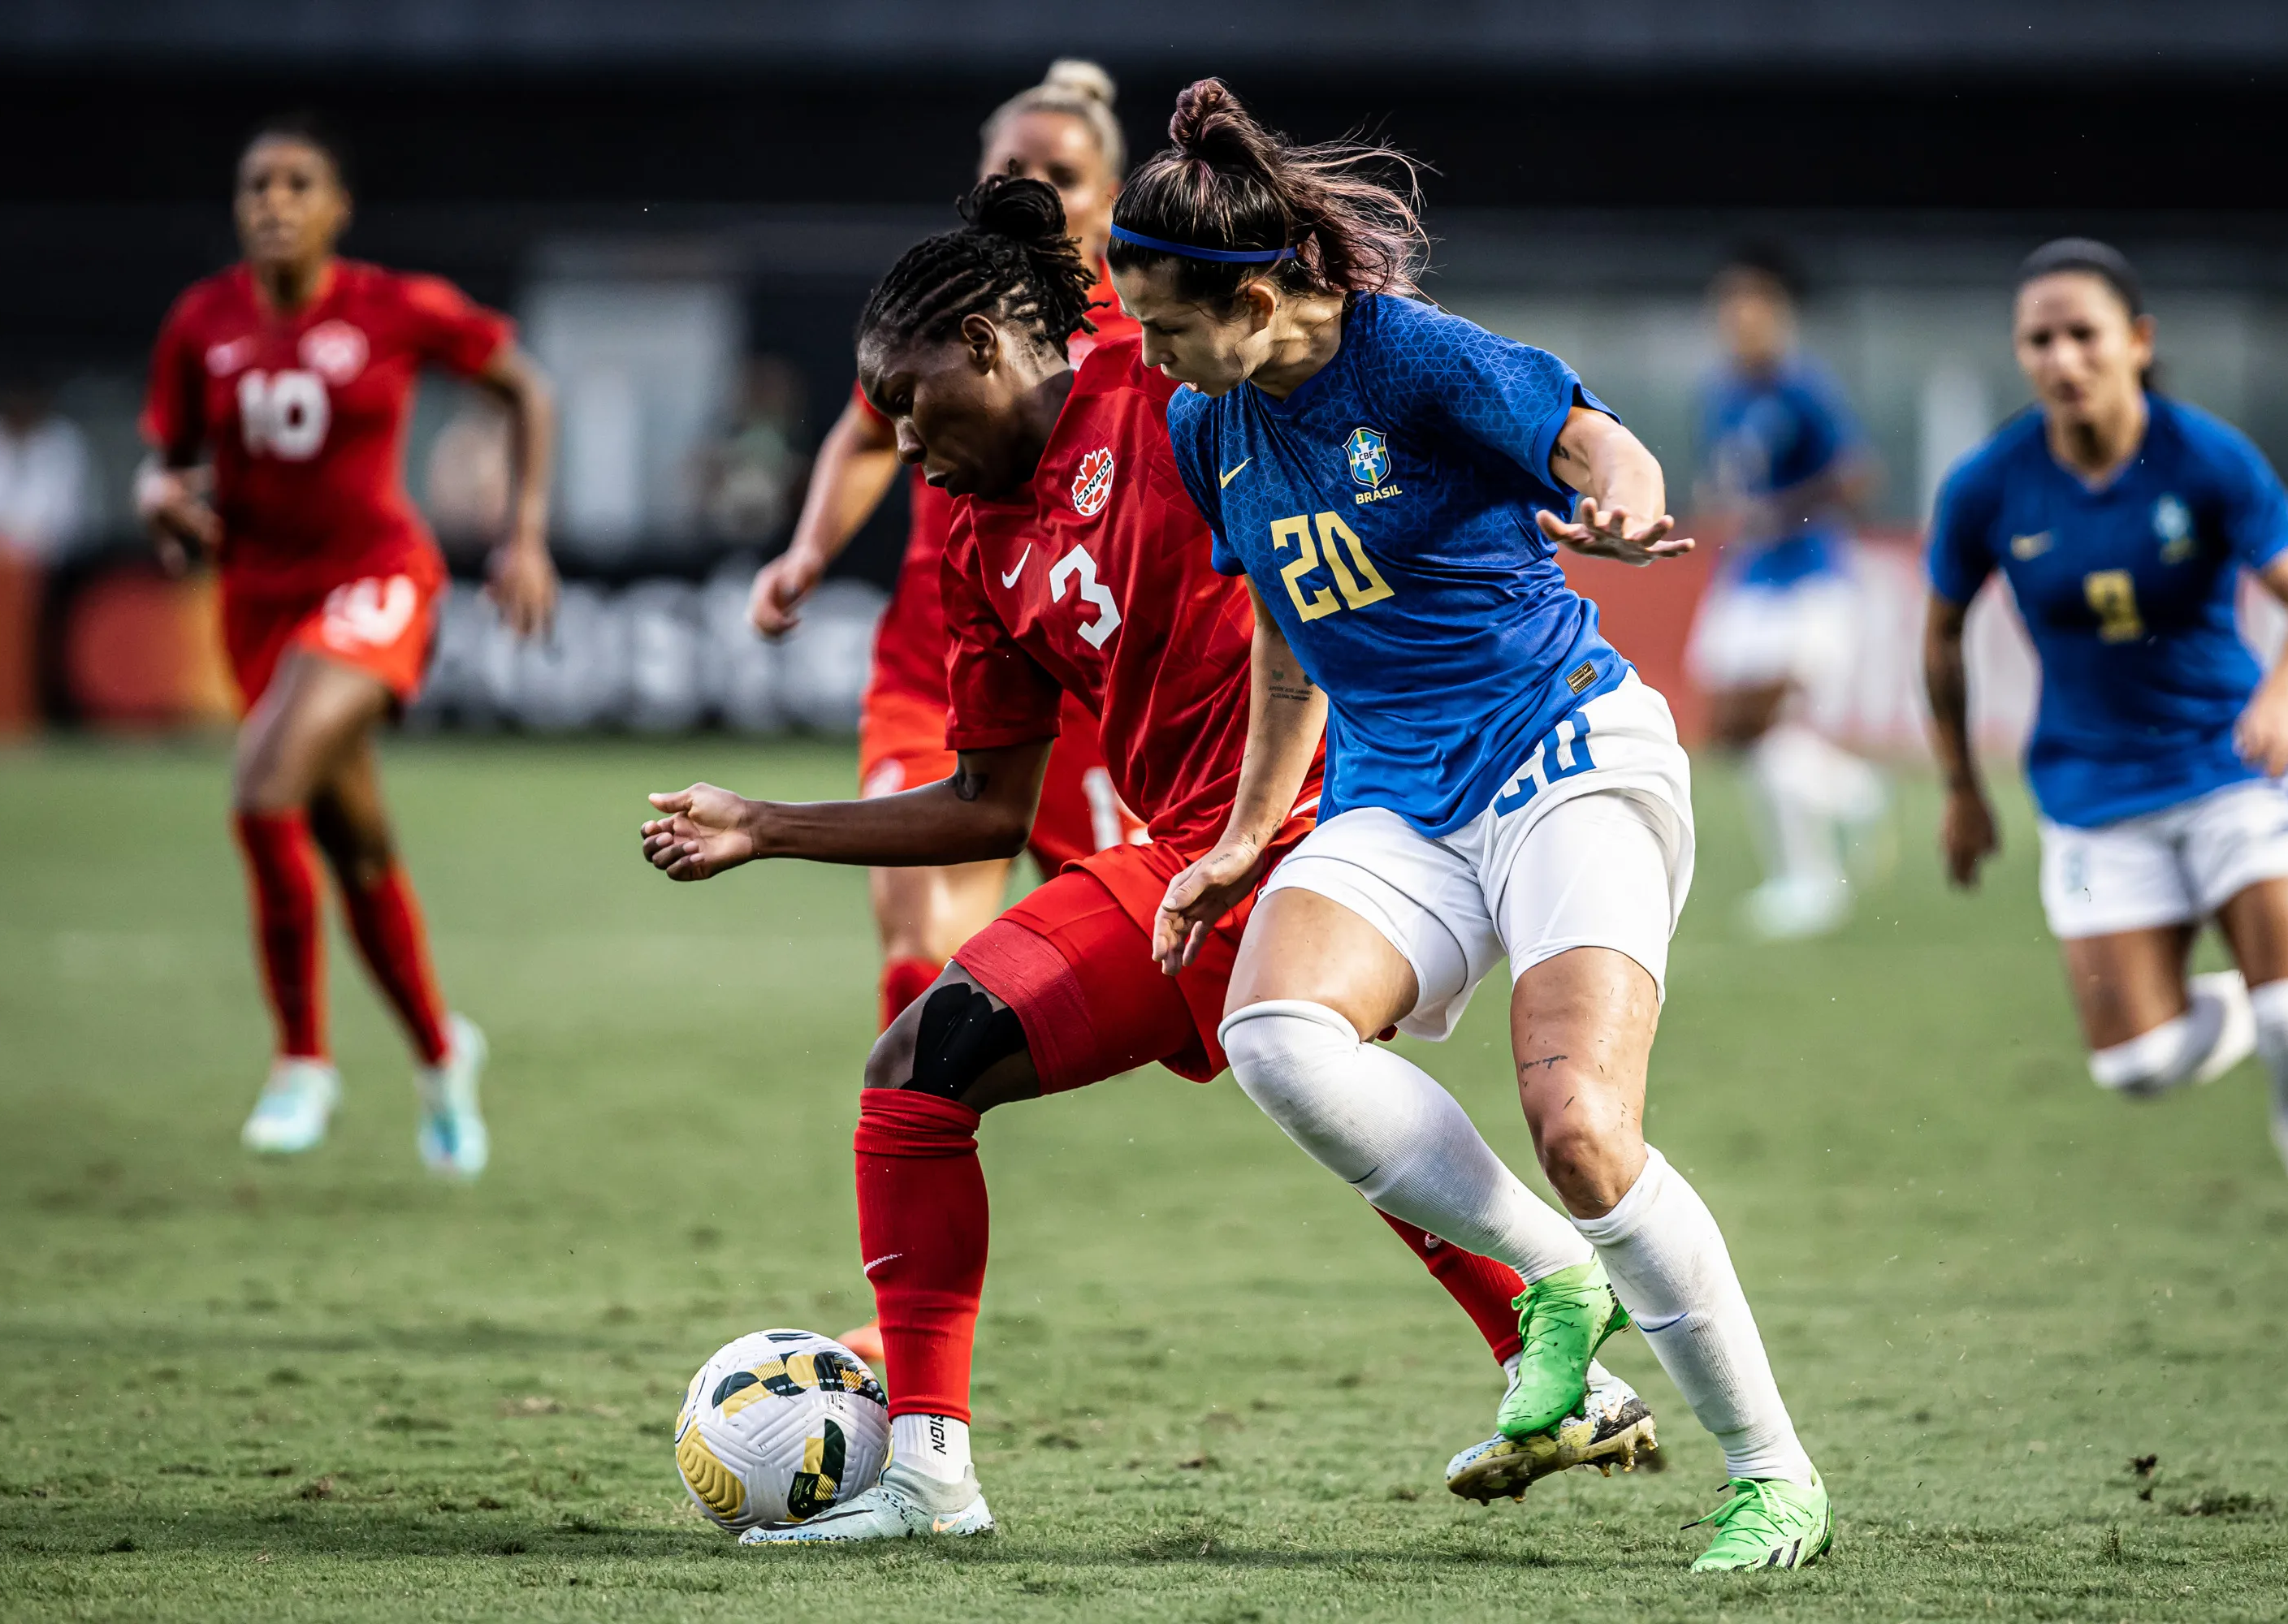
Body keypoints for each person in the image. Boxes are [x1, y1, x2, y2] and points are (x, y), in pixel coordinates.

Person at [639, 177, 1659, 1543]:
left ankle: (933, 1476)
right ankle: (1565, 1363)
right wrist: (769, 826)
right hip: (1189, 856)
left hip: (1313, 827)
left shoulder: (1160, 383)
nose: (897, 435)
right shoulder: (974, 548)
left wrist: (1543, 476)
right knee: (1312, 1108)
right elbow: (988, 804)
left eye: (907, 394)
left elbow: (1324, 360)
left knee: (925, 1069)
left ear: (994, 350)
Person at [1120, 80, 1832, 1571]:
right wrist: (1254, 832)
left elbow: (1596, 448)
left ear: (1255, 300)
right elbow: (1288, 627)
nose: (1152, 352)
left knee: (1583, 1127)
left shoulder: (1419, 361)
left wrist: (1629, 511)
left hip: (1563, 754)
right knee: (1275, 1034)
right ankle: (1558, 1280)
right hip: (1397, 794)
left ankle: (1774, 1476)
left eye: (1170, 324)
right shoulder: (1211, 428)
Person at [1925, 238, 2288, 1318]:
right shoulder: (1991, 485)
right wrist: (1960, 787)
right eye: (2040, 338)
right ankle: (2264, 993)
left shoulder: (2207, 458)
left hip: (2233, 770)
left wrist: (2280, 697)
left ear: (2137, 342)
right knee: (2135, 1069)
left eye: (2084, 332)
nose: (2062, 356)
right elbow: (1942, 637)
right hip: (2092, 797)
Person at [138, 117, 557, 1177]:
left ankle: (301, 1063)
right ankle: (438, 1055)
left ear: (337, 208)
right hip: (258, 604)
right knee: (355, 844)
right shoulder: (203, 321)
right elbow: (168, 459)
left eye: (297, 183)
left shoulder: (392, 305)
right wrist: (161, 499)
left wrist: (525, 536)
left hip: (375, 579)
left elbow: (525, 389)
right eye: (256, 186)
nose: (274, 201)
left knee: (261, 791)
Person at [749, 60, 1145, 1036]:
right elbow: (867, 429)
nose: (1031, 185)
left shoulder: (1148, 332)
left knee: (1184, 982)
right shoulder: (935, 313)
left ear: (1109, 199)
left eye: (1061, 170)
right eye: (1011, 163)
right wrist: (808, 550)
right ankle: (921, 1123)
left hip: (1093, 681)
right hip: (944, 654)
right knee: (922, 933)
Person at [1688, 244, 1888, 940]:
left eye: (1750, 304)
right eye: (1728, 305)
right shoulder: (1722, 391)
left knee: (1773, 731)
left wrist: (1787, 509)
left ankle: (1808, 883)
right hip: (1746, 578)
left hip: (1808, 581)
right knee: (1732, 734)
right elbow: (1735, 478)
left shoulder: (1804, 386)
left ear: (1777, 313)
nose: (1737, 318)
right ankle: (1856, 794)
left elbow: (1858, 475)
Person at [0, 383, 89, 563]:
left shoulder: (64, 440)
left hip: (47, 556)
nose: (21, 408)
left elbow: (66, 515)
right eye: (14, 402)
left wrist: (22, 540)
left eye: (27, 402)